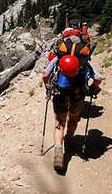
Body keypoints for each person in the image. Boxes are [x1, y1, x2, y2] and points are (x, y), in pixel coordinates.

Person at [42, 22, 102, 171]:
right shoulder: (84, 61)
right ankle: (69, 139)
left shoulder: (58, 58)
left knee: (59, 121)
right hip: (77, 93)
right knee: (73, 117)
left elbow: (45, 75)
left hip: (60, 92)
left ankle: (58, 152)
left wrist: (47, 87)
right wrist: (94, 88)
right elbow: (98, 78)